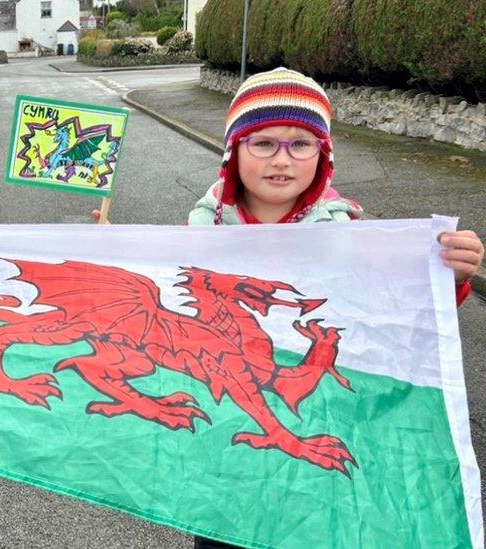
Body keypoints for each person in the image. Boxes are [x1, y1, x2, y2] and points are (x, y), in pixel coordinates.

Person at [95, 67, 483, 548]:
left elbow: (399, 312)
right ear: (233, 153)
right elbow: (163, 290)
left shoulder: (351, 235)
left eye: (301, 144)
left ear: (323, 157)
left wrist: (453, 276)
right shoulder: (201, 233)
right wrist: (104, 250)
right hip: (226, 469)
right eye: (263, 143)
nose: (283, 159)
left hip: (322, 459)